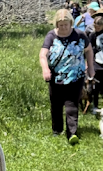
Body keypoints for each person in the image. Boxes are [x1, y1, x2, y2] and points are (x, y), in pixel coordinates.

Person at [40, 9, 94, 144]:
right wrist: (45, 69)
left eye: (66, 24)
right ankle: (57, 130)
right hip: (56, 76)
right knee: (56, 104)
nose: (63, 27)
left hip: (76, 76)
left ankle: (72, 133)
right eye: (61, 25)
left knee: (72, 104)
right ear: (56, 24)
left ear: (71, 23)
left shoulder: (80, 35)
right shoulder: (51, 36)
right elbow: (42, 54)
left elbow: (89, 50)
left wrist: (90, 67)